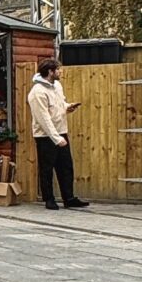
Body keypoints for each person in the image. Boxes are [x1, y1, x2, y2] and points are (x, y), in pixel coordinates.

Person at [27, 60, 90, 210]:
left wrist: (68, 107)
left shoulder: (57, 86)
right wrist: (56, 138)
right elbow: (43, 119)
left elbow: (59, 104)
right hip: (45, 136)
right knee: (47, 169)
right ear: (50, 72)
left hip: (61, 132)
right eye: (58, 70)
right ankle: (49, 199)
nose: (60, 72)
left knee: (66, 167)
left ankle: (69, 198)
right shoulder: (37, 92)